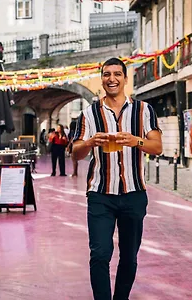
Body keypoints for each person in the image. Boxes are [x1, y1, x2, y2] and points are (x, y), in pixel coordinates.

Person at [72, 57, 162, 300]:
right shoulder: (89, 114)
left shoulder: (144, 110)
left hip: (134, 195)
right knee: (100, 254)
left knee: (129, 255)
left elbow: (157, 147)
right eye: (106, 74)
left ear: (125, 78)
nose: (111, 78)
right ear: (102, 79)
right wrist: (90, 142)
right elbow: (75, 152)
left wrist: (136, 141)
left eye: (117, 74)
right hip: (100, 195)